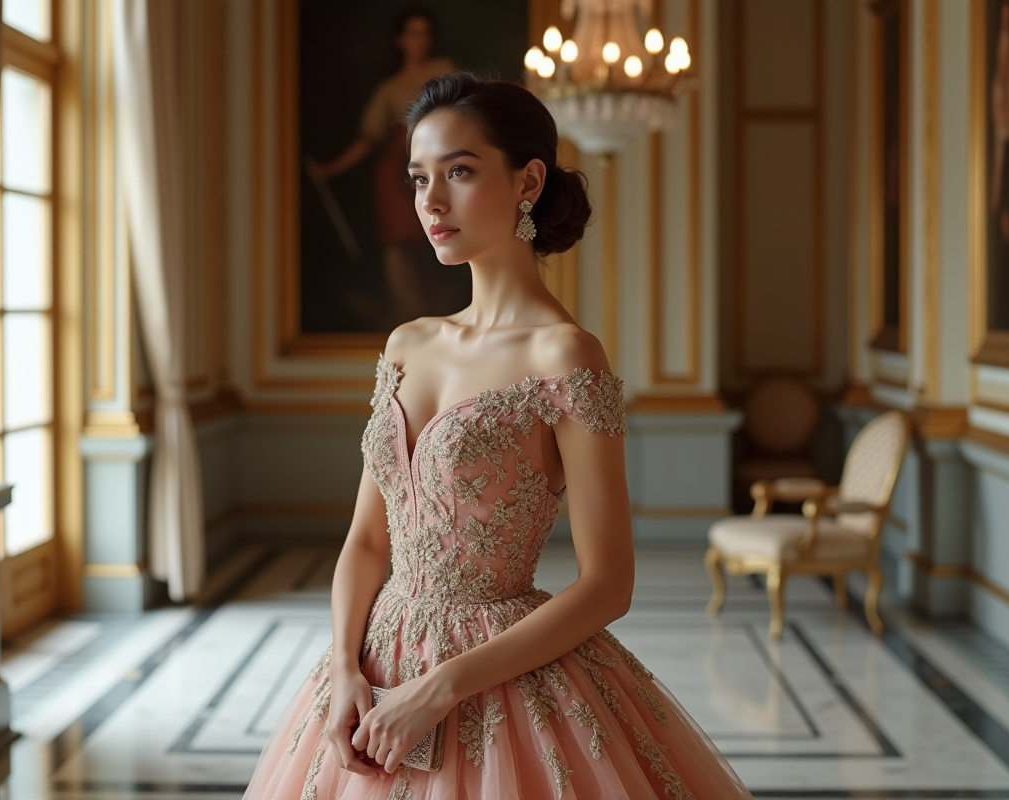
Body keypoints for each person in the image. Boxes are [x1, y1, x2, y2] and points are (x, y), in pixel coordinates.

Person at [244, 72, 754, 800]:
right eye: (418, 177)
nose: (430, 201)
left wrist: (440, 687)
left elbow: (608, 584)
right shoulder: (407, 343)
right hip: (371, 670)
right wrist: (347, 668)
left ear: (528, 181)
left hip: (496, 678)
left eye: (459, 171)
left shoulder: (565, 355)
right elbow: (367, 541)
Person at [306, 9, 463, 329]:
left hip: (437, 164)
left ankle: (437, 307)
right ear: (400, 40)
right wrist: (330, 169)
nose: (421, 40)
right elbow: (367, 140)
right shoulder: (389, 89)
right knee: (399, 240)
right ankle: (406, 309)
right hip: (394, 172)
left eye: (425, 33)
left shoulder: (445, 70)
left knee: (436, 233)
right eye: (413, 33)